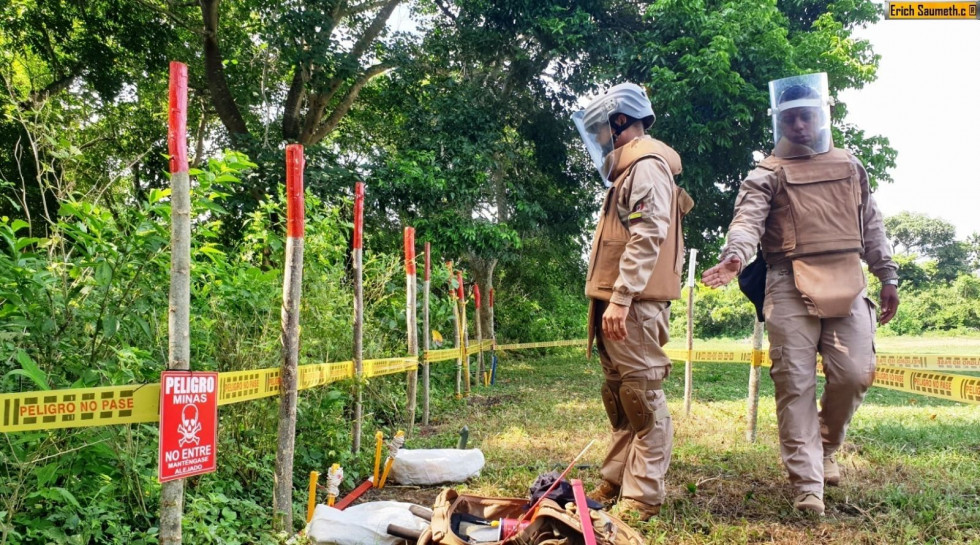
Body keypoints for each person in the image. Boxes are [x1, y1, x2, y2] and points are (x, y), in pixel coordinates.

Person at [701, 73, 900, 515]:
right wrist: (735, 255)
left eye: (806, 117)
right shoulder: (767, 173)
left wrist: (887, 275)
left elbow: (872, 222)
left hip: (847, 277)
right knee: (793, 382)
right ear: (780, 123)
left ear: (821, 117)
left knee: (854, 373)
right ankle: (808, 484)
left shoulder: (850, 165)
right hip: (788, 281)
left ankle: (827, 448)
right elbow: (747, 220)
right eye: (790, 119)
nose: (799, 127)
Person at [573, 83, 694, 521]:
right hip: (616, 304)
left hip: (634, 306)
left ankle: (641, 498)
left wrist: (622, 298)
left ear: (620, 121)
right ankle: (617, 478)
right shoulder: (628, 170)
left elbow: (648, 236)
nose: (600, 139)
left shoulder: (645, 166)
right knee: (623, 398)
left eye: (602, 129)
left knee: (643, 398)